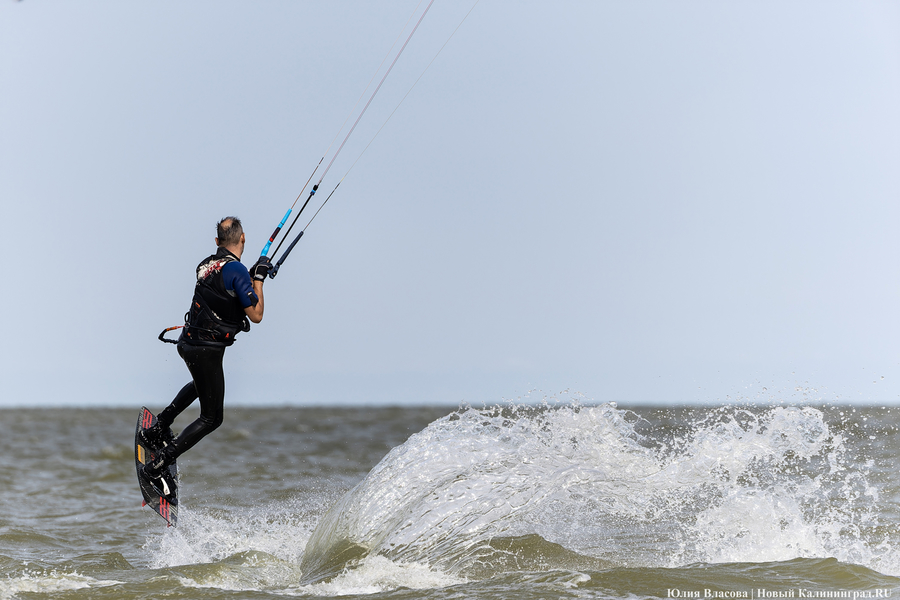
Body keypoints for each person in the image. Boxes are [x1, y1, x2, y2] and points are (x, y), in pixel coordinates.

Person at [141, 216, 271, 487]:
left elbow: (225, 290)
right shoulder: (236, 272)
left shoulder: (205, 265)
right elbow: (256, 314)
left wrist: (250, 275)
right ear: (243, 238)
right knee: (212, 418)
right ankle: (158, 465)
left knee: (202, 385)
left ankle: (157, 429)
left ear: (217, 241)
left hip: (187, 343)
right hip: (205, 350)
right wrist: (258, 279)